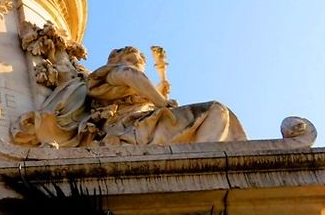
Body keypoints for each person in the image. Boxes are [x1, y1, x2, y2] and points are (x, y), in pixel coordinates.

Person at [86, 47, 246, 146]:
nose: (134, 66)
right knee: (215, 110)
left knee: (218, 112)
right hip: (131, 128)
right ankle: (205, 159)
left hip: (145, 123)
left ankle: (204, 156)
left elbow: (142, 87)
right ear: (115, 59)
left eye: (138, 64)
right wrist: (162, 102)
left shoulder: (132, 86)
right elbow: (131, 76)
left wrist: (160, 91)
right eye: (129, 60)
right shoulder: (113, 73)